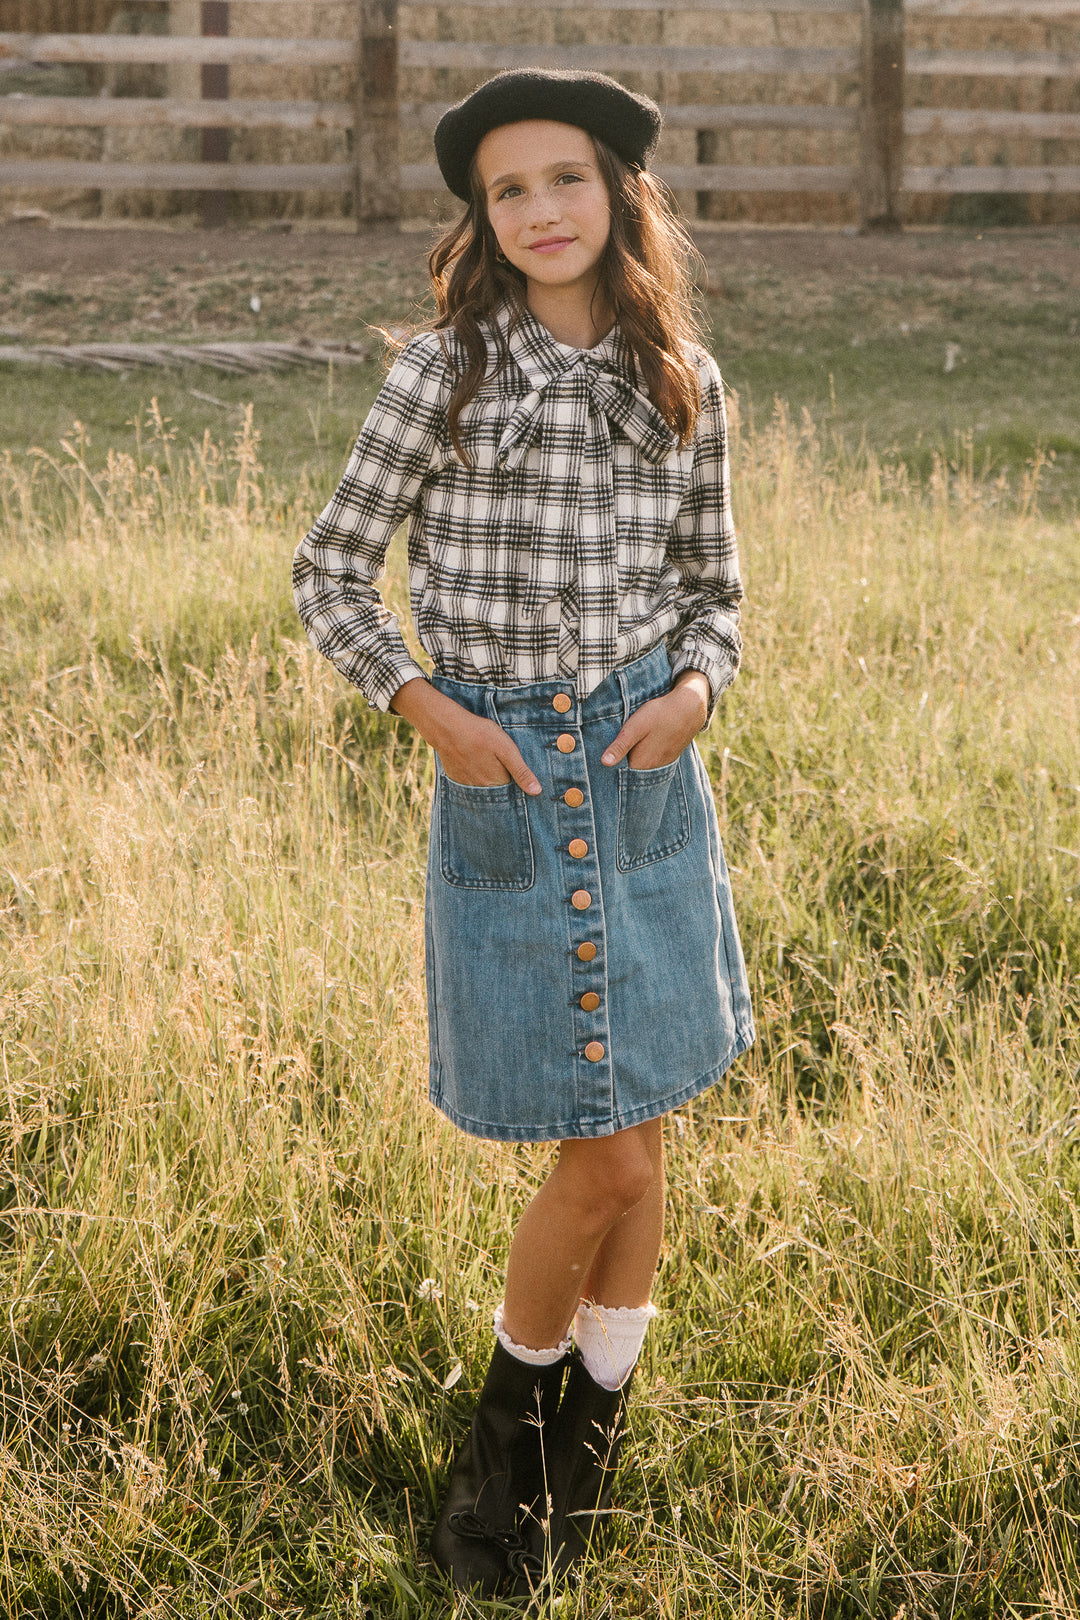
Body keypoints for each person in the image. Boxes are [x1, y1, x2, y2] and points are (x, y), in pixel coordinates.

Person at [292, 67, 755, 1600]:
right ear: (481, 219)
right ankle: (506, 1433)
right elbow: (332, 576)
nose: (542, 209)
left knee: (644, 1124)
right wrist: (432, 710)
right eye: (509, 190)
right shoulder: (448, 372)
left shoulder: (678, 374)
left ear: (621, 191)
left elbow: (718, 595)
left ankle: (590, 1427)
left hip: (641, 773)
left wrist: (698, 685)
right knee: (600, 1150)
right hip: (506, 774)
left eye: (567, 177)